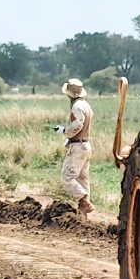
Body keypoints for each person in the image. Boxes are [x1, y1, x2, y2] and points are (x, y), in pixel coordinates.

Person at [57, 78, 93, 214]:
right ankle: (84, 211)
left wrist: (66, 131)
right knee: (82, 178)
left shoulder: (76, 106)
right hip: (85, 145)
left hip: (78, 146)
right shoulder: (86, 105)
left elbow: (78, 124)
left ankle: (83, 200)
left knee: (67, 178)